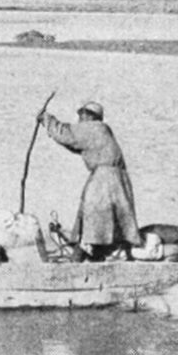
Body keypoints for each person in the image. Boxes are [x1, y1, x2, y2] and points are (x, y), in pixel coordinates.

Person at [41, 100, 139, 261]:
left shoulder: (93, 128)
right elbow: (74, 143)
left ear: (90, 116)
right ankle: (104, 251)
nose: (80, 118)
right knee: (111, 219)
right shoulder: (101, 131)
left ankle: (88, 252)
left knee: (94, 214)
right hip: (116, 178)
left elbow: (66, 134)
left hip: (105, 178)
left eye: (83, 115)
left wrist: (47, 119)